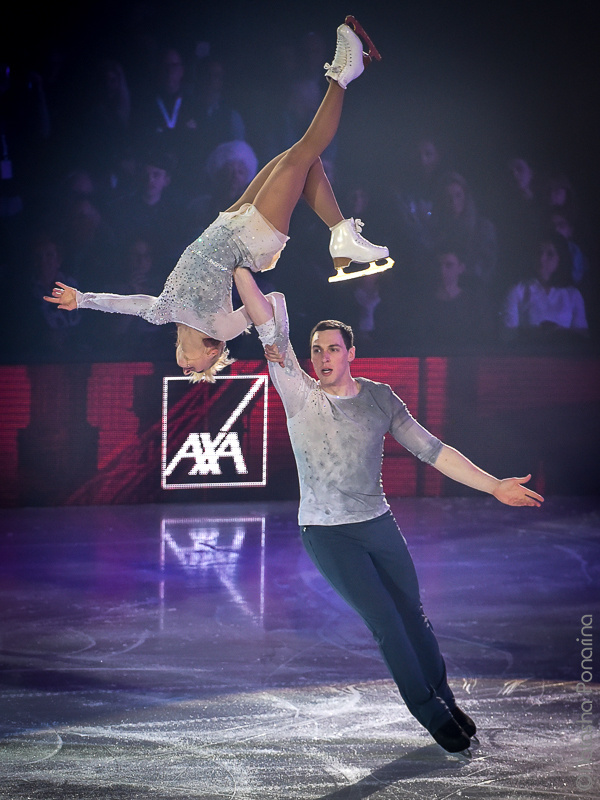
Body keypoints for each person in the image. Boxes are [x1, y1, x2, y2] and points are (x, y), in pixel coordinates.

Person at [230, 265, 544, 756]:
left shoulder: (379, 397)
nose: (323, 357)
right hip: (327, 532)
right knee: (387, 623)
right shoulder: (298, 393)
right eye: (316, 350)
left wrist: (493, 486)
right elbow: (270, 327)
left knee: (414, 617)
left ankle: (444, 696)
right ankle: (429, 710)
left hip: (378, 525)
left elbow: (433, 450)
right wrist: (239, 268)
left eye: (333, 348)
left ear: (351, 354)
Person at [44, 18, 390, 383]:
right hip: (253, 237)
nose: (185, 367)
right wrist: (276, 337)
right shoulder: (222, 329)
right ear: (213, 352)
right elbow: (275, 301)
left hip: (230, 220)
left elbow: (128, 303)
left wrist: (81, 299)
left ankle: (341, 235)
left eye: (188, 372)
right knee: (305, 151)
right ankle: (342, 76)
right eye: (199, 369)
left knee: (303, 158)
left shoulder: (165, 311)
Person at [502, 231, 588, 345]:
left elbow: (584, 336)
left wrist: (559, 332)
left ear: (560, 258)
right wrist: (534, 333)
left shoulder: (572, 294)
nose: (542, 259)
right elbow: (506, 335)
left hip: (564, 358)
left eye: (550, 254)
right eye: (538, 253)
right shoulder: (518, 291)